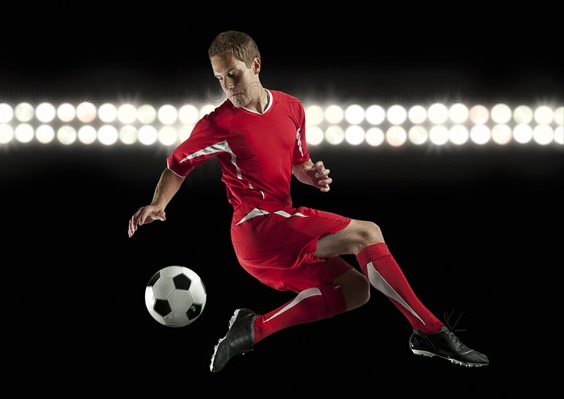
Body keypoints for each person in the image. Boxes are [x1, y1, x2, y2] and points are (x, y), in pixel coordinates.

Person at [127, 30, 489, 373]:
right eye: (219, 78)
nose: (227, 86)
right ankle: (431, 331)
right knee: (368, 233)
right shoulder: (218, 124)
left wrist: (309, 174)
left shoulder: (292, 109)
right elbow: (177, 166)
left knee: (355, 290)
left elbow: (299, 162)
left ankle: (254, 329)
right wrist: (159, 204)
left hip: (281, 225)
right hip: (256, 228)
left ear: (255, 65)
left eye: (232, 75)